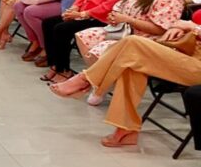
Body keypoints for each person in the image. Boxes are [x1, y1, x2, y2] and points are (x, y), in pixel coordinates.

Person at [50, 22, 201, 148]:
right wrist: (180, 27)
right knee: (130, 62)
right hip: (188, 51)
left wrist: (192, 26)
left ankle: (86, 79)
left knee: (133, 43)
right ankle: (126, 129)